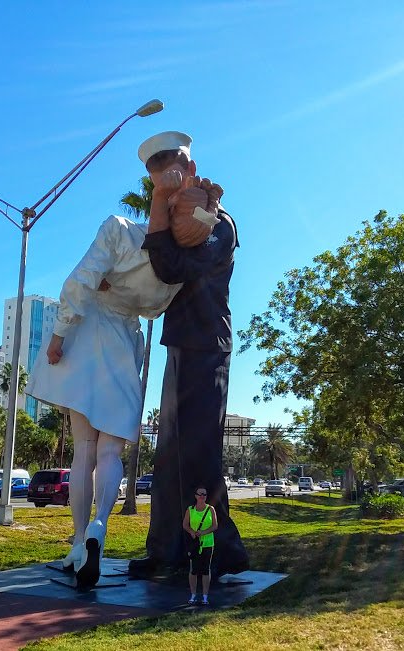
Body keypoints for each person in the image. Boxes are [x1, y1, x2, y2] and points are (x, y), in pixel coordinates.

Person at [25, 186, 217, 588]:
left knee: (84, 450)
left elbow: (80, 281)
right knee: (111, 450)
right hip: (126, 344)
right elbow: (151, 309)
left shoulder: (120, 229)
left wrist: (58, 336)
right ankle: (99, 527)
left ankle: (78, 544)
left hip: (89, 333)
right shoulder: (174, 272)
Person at [129, 131, 250, 579]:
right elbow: (161, 265)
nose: (168, 172)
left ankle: (222, 551)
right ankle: (165, 551)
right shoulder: (169, 216)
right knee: (168, 459)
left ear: (191, 166)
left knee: (199, 455)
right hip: (179, 342)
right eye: (157, 169)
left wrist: (163, 204)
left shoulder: (219, 221)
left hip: (209, 345)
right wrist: (160, 201)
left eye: (173, 162)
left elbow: (173, 267)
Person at [183, 486, 217, 605]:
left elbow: (214, 525)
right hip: (195, 544)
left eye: (205, 495)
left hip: (207, 543)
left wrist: (203, 532)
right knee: (194, 570)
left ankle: (205, 596)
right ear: (196, 496)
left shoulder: (211, 509)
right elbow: (185, 525)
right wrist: (192, 532)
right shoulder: (190, 509)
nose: (202, 497)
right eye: (200, 494)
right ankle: (193, 595)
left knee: (206, 569)